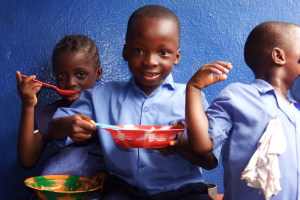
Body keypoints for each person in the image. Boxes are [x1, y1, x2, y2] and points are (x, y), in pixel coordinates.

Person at [49, 5, 216, 200]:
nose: (150, 61)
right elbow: (55, 128)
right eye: (138, 50)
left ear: (176, 57)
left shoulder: (191, 98)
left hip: (183, 192)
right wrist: (67, 125)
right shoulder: (99, 96)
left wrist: (179, 144)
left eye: (163, 52)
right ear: (125, 53)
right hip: (123, 189)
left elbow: (210, 161)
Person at [186, 21, 300, 200]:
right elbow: (202, 145)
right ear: (278, 56)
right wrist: (193, 89)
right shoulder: (237, 95)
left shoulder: (296, 106)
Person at [16, 35, 106, 199]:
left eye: (80, 74)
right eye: (62, 75)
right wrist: (28, 105)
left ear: (98, 73)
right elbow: (27, 160)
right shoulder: (50, 113)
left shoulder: (111, 109)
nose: (70, 82)